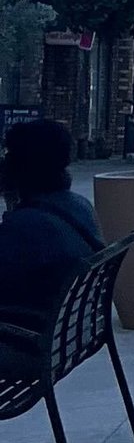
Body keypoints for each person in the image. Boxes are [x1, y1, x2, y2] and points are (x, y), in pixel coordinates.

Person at [0, 118, 102, 330]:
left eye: (9, 155)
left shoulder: (27, 226)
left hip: (24, 337)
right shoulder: (80, 206)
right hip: (67, 329)